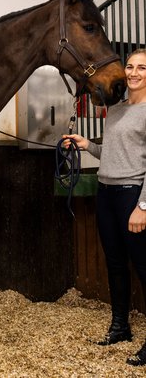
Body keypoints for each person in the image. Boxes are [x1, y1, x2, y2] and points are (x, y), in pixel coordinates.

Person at [63, 48, 146, 366]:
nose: (134, 72)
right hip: (106, 192)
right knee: (115, 265)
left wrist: (143, 206)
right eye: (130, 66)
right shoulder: (117, 110)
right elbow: (113, 152)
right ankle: (120, 327)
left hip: (131, 193)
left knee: (144, 268)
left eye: (141, 67)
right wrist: (88, 145)